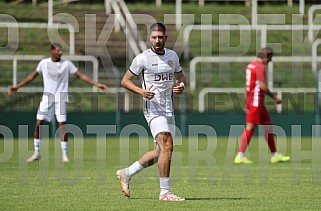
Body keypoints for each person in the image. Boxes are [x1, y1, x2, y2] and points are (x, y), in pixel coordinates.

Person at [117, 23, 186, 201]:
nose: (157, 40)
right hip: (153, 108)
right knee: (167, 145)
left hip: (168, 108)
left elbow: (180, 75)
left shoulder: (172, 56)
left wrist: (181, 85)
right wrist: (141, 92)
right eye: (154, 37)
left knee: (160, 151)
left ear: (165, 38)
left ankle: (127, 173)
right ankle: (165, 192)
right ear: (150, 38)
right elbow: (125, 81)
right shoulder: (142, 58)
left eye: (160, 37)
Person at [8, 43, 108, 163]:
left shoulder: (66, 64)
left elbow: (81, 75)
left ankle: (65, 154)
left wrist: (97, 84)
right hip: (47, 98)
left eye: (61, 50)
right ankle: (37, 152)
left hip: (61, 98)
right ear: (52, 51)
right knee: (39, 123)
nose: (60, 52)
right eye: (58, 50)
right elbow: (32, 76)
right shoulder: (44, 63)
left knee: (62, 125)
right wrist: (17, 86)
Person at [234, 47, 290, 164]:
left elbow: (248, 86)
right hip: (256, 101)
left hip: (253, 101)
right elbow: (262, 85)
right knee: (250, 128)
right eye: (270, 57)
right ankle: (239, 155)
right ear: (266, 56)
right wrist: (274, 97)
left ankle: (275, 155)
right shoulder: (260, 66)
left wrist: (245, 102)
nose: (271, 60)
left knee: (268, 127)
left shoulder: (251, 65)